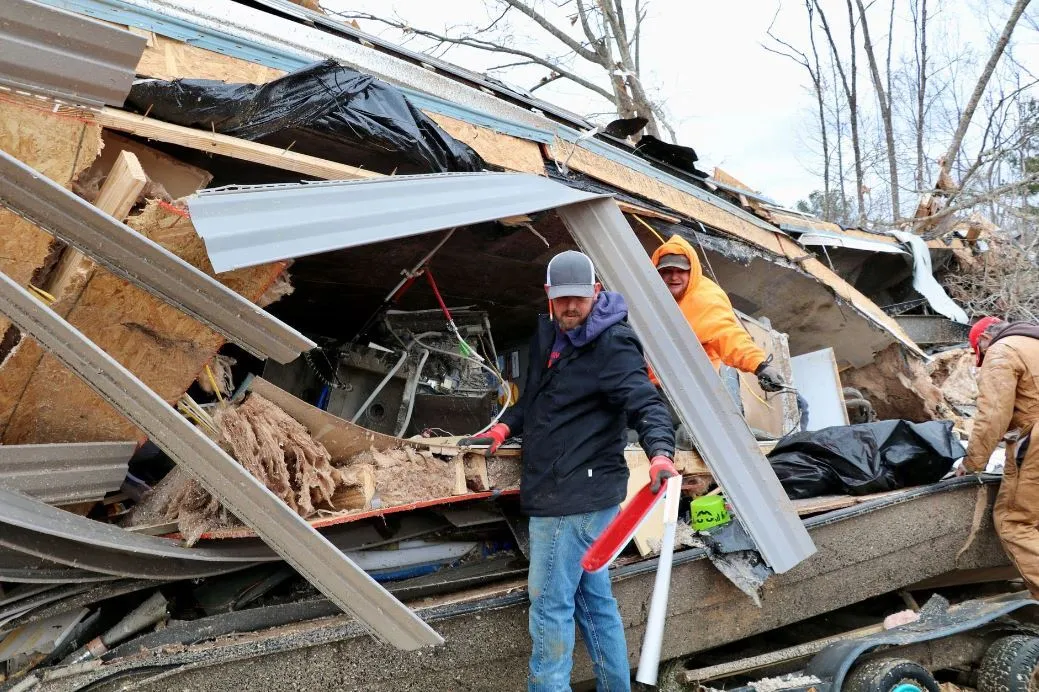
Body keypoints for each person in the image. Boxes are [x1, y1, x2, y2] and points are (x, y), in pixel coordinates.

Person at [460, 250, 676, 692]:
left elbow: (646, 402)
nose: (571, 306)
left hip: (572, 497)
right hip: (569, 489)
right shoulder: (552, 334)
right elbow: (535, 399)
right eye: (562, 299)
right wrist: (504, 427)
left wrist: (660, 452)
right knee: (594, 604)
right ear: (549, 296)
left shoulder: (612, 344)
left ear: (596, 292)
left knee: (549, 608)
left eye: (579, 297)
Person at [959, 316, 1039, 597]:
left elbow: (993, 416)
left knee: (1014, 522)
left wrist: (972, 462)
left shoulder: (1002, 351)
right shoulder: (1033, 341)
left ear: (983, 340)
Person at [649, 234, 785, 393]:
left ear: (692, 271)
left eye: (681, 271)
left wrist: (760, 366)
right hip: (642, 384)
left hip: (687, 389)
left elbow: (729, 336)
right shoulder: (647, 294)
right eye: (667, 271)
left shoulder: (706, 298)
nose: (673, 277)